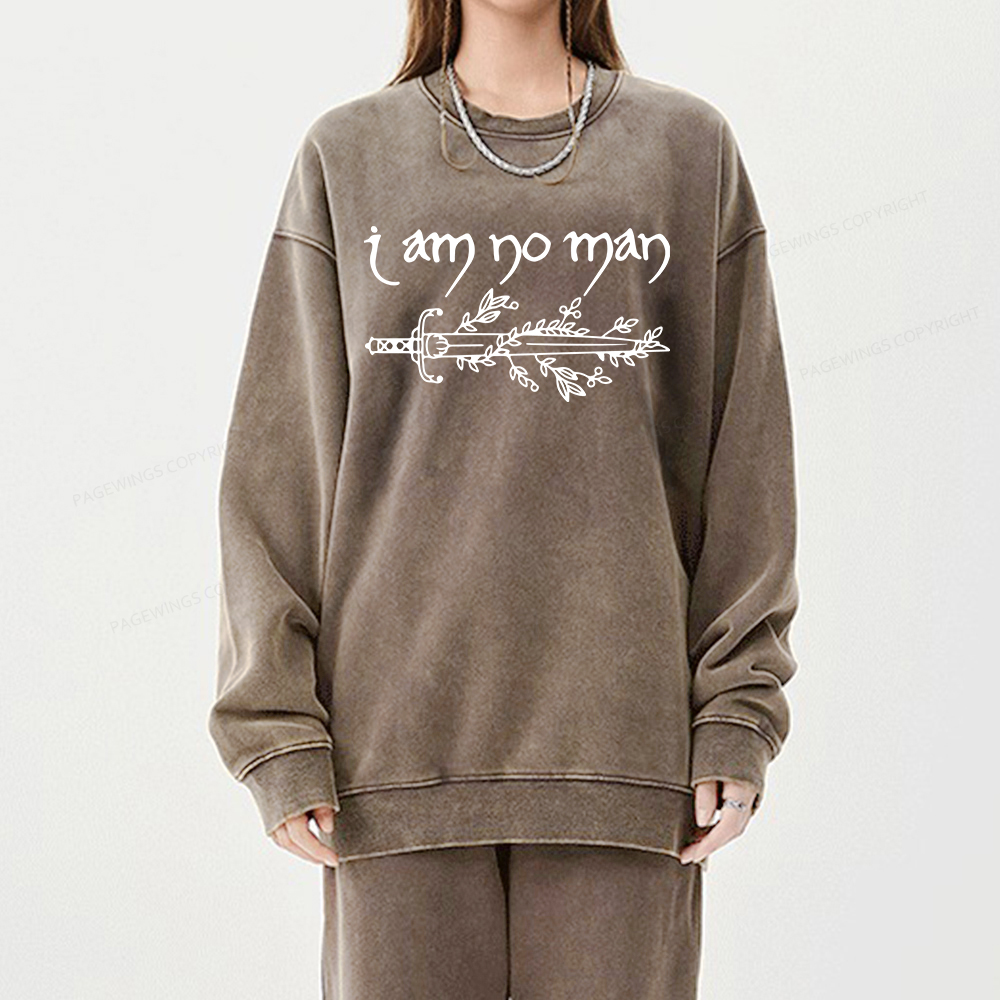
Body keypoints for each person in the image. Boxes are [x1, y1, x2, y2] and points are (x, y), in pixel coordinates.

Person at [208, 1, 800, 996]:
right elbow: (281, 465)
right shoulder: (349, 156)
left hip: (623, 750)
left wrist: (737, 709)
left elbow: (743, 455)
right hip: (390, 756)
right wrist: (274, 729)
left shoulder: (686, 149)